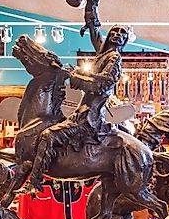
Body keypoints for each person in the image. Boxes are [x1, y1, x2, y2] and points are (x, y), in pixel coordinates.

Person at [26, 25, 128, 192]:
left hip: (90, 118)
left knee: (47, 135)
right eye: (114, 31)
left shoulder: (114, 59)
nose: (117, 35)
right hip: (81, 113)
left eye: (122, 34)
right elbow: (95, 31)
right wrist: (90, 4)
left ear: (124, 41)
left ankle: (35, 183)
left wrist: (77, 77)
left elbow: (103, 83)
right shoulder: (104, 54)